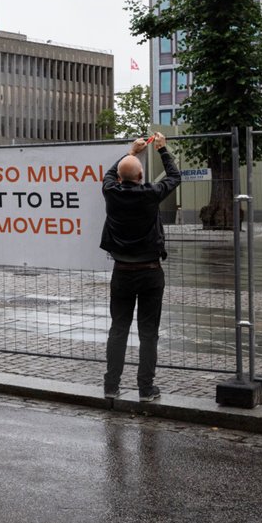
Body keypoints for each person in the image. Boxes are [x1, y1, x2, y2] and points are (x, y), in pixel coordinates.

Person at [101, 131, 181, 402]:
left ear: (121, 179)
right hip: (150, 272)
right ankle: (146, 389)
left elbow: (109, 175)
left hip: (122, 272)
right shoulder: (151, 194)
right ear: (140, 178)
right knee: (148, 333)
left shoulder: (111, 193)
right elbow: (174, 177)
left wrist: (131, 152)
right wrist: (161, 149)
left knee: (118, 329)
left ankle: (111, 386)